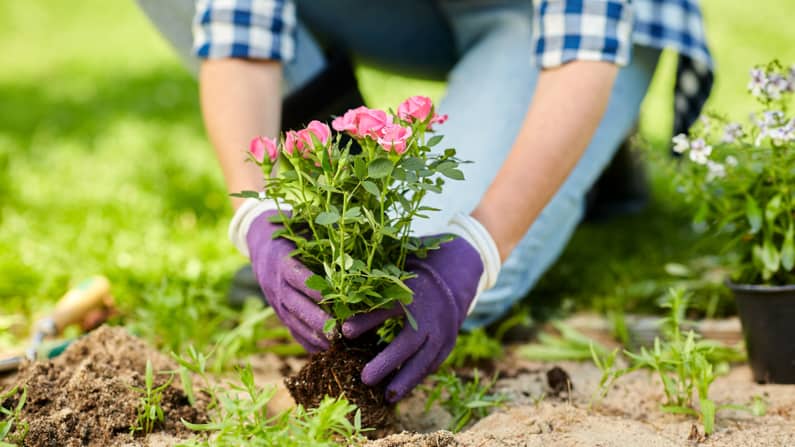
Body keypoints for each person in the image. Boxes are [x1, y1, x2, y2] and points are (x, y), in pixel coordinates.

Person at [136, 0, 713, 403]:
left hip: (560, 26)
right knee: (390, 271)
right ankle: (341, 176)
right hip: (412, 11)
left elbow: (583, 43)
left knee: (427, 278)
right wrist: (258, 216)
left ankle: (590, 145)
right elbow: (243, 26)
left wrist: (478, 249)